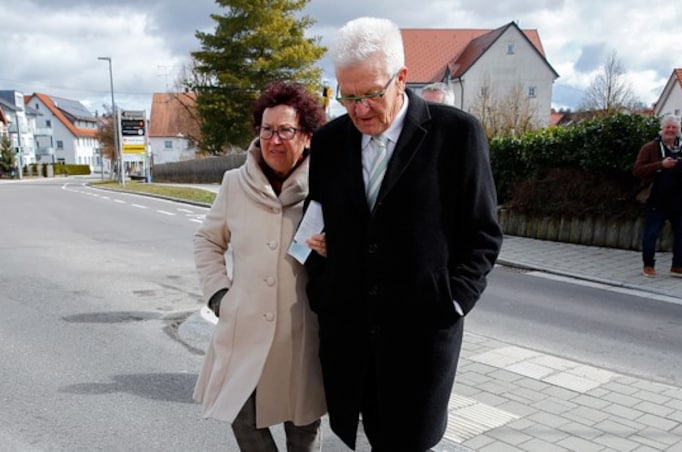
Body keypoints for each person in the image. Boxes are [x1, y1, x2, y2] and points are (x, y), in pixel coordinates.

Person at [304, 16, 503, 451]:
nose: (359, 109)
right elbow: (314, 217)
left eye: (371, 94)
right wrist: (320, 283)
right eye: (348, 96)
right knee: (363, 435)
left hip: (420, 337)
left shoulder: (456, 136)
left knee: (408, 441)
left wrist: (453, 300)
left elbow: (484, 234)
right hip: (350, 335)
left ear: (402, 79)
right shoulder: (330, 143)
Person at [193, 81, 327, 451]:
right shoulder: (235, 183)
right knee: (243, 420)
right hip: (245, 331)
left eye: (286, 130)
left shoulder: (326, 185)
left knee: (303, 432)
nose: (275, 140)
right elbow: (207, 240)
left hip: (301, 335)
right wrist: (219, 294)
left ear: (307, 136)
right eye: (267, 130)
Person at [633, 114, 682, 279]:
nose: (671, 130)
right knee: (651, 233)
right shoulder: (650, 147)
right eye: (668, 127)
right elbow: (637, 170)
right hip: (657, 199)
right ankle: (648, 266)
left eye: (674, 128)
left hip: (681, 199)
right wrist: (661, 165)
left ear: (678, 130)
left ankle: (678, 266)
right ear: (662, 129)